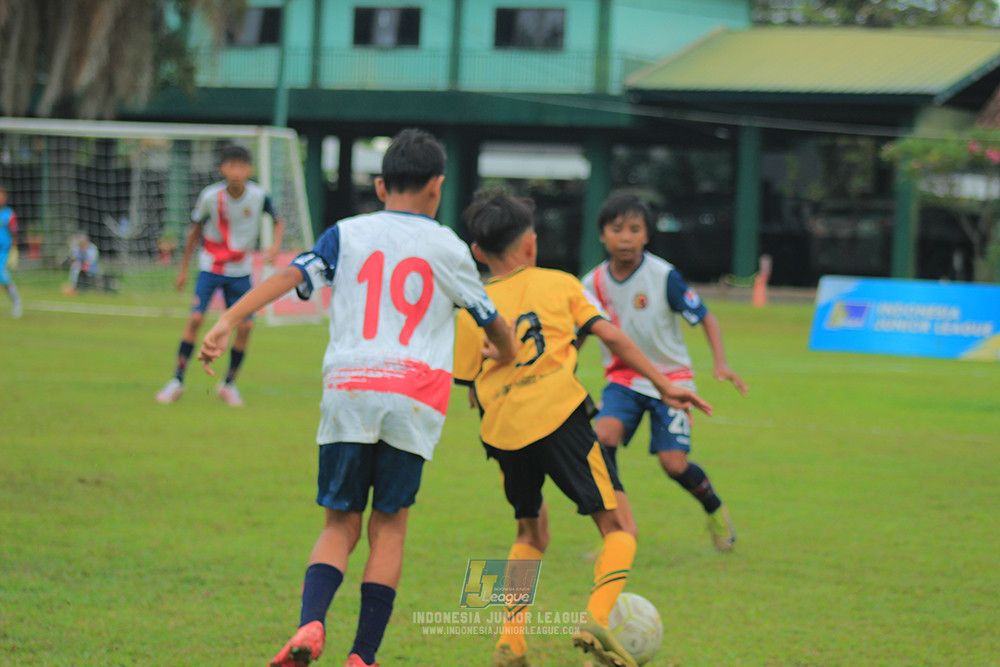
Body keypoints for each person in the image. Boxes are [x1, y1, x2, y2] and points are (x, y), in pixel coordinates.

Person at [197, 129, 517, 667]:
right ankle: (362, 656)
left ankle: (310, 625)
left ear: (379, 184)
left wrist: (228, 318)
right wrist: (502, 355)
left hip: (350, 389)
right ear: (437, 187)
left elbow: (288, 275)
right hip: (414, 397)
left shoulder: (346, 233)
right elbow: (492, 321)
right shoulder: (448, 247)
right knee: (388, 526)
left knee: (338, 523)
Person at [453, 191, 712, 667]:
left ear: (476, 252)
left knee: (530, 531)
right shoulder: (560, 283)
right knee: (620, 527)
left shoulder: (474, 306)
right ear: (531, 244)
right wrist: (664, 384)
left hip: (503, 430)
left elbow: (469, 386)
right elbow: (611, 335)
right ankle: (596, 617)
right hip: (559, 415)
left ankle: (511, 641)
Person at [580, 193, 748, 553]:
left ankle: (714, 507)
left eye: (635, 229)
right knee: (600, 442)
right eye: (617, 229)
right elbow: (577, 332)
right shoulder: (590, 284)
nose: (626, 237)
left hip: (672, 381)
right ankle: (619, 533)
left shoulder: (663, 276)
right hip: (623, 379)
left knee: (674, 465)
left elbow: (705, 317)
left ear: (647, 236)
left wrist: (720, 362)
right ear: (602, 235)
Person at [155, 144, 284, 407]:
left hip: (241, 270)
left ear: (250, 169)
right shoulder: (211, 197)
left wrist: (275, 246)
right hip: (211, 266)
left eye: (241, 166)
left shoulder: (259, 196)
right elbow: (194, 232)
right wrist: (183, 269)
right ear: (222, 169)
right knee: (195, 319)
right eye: (231, 166)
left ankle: (229, 383)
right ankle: (177, 380)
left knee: (246, 326)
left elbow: (278, 220)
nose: (236, 172)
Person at [0, 185, 22, 318]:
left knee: (3, 277)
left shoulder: (9, 214)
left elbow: (14, 233)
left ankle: (16, 301)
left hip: (4, 251)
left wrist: (14, 251)